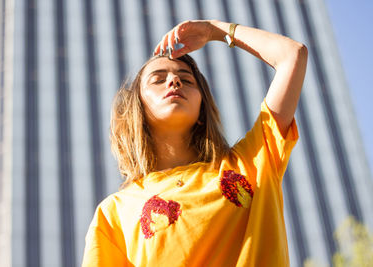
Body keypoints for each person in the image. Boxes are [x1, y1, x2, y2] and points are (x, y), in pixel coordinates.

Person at [82, 20, 307, 267]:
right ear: (138, 109)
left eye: (187, 80)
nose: (174, 82)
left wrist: (215, 31)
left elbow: (292, 54)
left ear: (202, 108)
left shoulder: (252, 162)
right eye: (158, 79)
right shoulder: (114, 213)